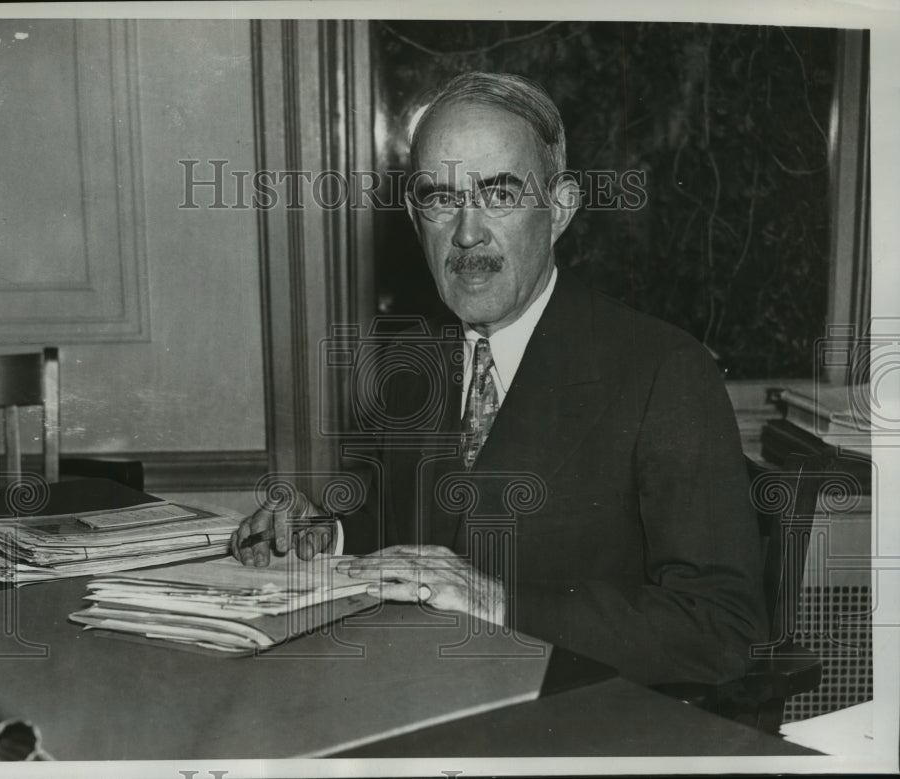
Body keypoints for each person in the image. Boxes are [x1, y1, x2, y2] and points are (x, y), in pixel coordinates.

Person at [230, 72, 767, 686]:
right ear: (415, 216)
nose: (466, 233)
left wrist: (500, 604)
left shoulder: (663, 373)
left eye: (500, 194)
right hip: (417, 695)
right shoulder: (414, 360)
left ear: (560, 208)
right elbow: (413, 531)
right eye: (439, 199)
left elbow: (723, 630)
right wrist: (325, 535)